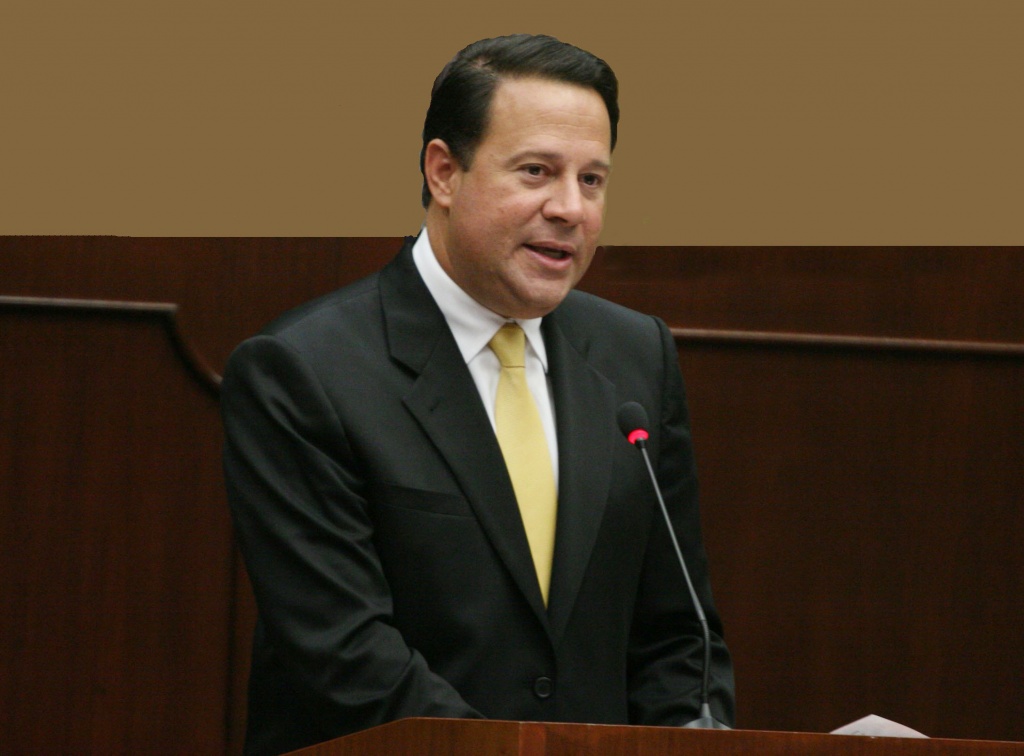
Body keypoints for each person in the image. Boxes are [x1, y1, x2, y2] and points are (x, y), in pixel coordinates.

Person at [222, 33, 735, 756]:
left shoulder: (636, 356)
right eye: (537, 172)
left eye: (592, 179)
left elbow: (678, 633)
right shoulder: (304, 371)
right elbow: (346, 656)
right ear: (443, 172)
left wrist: (689, 742)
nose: (571, 208)